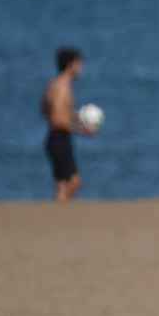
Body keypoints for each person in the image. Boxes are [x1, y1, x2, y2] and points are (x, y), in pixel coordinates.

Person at [41, 46, 95, 202]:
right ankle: (58, 214)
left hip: (57, 138)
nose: (81, 68)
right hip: (59, 138)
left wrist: (77, 118)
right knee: (73, 182)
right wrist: (81, 129)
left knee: (63, 184)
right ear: (70, 65)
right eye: (79, 64)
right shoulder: (62, 87)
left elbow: (45, 109)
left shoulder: (54, 84)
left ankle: (59, 214)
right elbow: (57, 119)